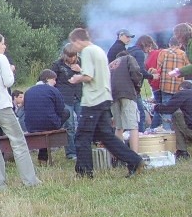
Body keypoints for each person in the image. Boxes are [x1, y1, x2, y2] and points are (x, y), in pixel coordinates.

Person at [67, 28, 144, 178]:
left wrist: (77, 78)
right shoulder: (98, 50)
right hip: (104, 97)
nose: (73, 47)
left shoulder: (87, 51)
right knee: (106, 136)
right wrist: (81, 70)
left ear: (78, 40)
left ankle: (84, 172)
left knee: (82, 136)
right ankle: (134, 160)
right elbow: (96, 73)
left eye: (73, 43)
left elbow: (88, 77)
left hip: (93, 100)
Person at [0, 33, 41, 191]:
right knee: (18, 142)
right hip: (1, 106)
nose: (5, 46)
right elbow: (8, 82)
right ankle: (30, 181)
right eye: (3, 44)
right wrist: (10, 70)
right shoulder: (0, 59)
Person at [23, 69, 70, 164]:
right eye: (54, 79)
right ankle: (70, 151)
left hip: (31, 126)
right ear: (48, 79)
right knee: (67, 112)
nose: (55, 82)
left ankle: (42, 158)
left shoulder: (28, 91)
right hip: (50, 124)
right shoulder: (53, 90)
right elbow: (61, 109)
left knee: (42, 122)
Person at [51, 43, 83, 160]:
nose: (72, 58)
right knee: (69, 126)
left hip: (80, 96)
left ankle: (83, 149)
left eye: (74, 55)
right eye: (69, 56)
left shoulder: (81, 62)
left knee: (83, 123)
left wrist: (81, 70)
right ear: (64, 55)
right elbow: (51, 80)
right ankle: (71, 153)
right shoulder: (57, 65)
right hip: (65, 97)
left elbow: (90, 76)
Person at [109, 51, 143, 153]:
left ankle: (119, 156)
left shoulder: (110, 65)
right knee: (133, 126)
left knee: (119, 127)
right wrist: (137, 88)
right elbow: (136, 73)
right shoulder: (128, 58)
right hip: (127, 94)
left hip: (113, 96)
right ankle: (135, 157)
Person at [156, 36, 190, 131]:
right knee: (178, 110)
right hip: (179, 86)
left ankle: (167, 131)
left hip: (165, 85)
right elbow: (188, 68)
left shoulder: (163, 52)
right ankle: (178, 130)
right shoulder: (183, 53)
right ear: (179, 44)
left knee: (166, 108)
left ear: (169, 44)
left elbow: (158, 68)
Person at [127, 35, 159, 132]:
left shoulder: (130, 51)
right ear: (146, 44)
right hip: (133, 87)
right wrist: (152, 76)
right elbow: (140, 71)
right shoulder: (140, 53)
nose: (149, 50)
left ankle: (130, 136)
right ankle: (139, 137)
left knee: (130, 114)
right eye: (149, 46)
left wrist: (147, 72)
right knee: (140, 113)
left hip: (125, 85)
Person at [153, 80, 192, 159]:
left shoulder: (182, 93)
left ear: (181, 88)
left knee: (176, 114)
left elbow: (168, 109)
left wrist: (155, 107)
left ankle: (182, 151)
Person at [145, 42, 164, 129]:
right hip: (162, 83)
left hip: (154, 86)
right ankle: (157, 127)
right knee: (164, 107)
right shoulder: (160, 52)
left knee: (158, 107)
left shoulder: (146, 59)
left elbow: (148, 74)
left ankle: (154, 127)